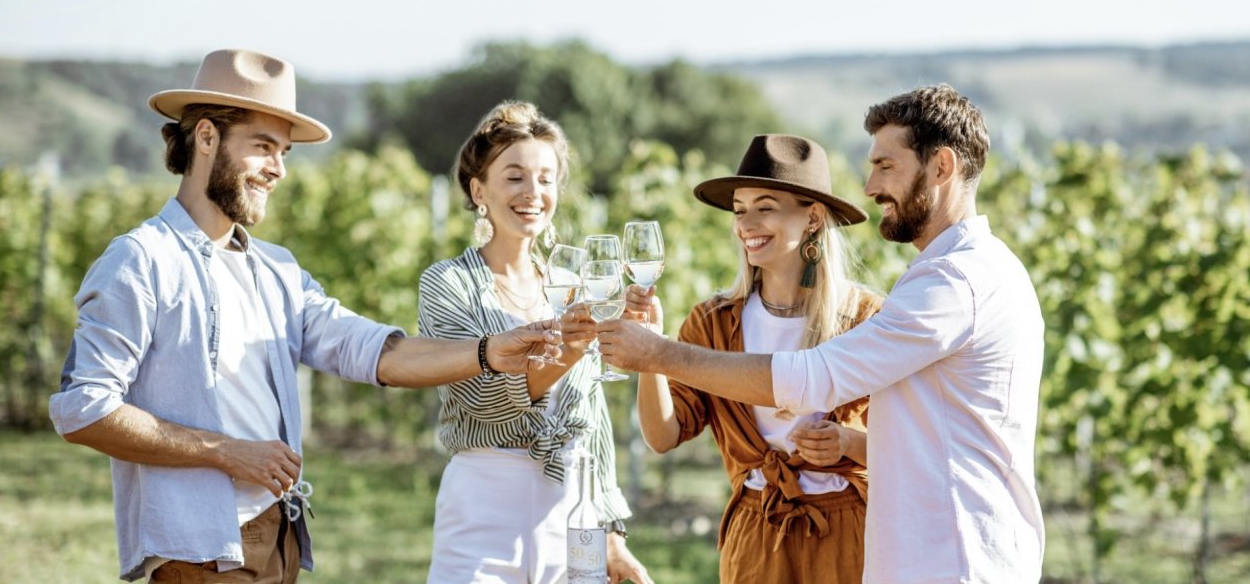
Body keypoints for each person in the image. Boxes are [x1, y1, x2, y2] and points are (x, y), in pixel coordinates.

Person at [48, 49, 559, 583]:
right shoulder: (142, 260)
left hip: (280, 537)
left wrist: (487, 352)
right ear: (206, 137)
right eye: (264, 147)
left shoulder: (277, 272)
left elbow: (376, 352)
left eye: (285, 152)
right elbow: (84, 409)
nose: (278, 169)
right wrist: (227, 453)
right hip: (199, 551)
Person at [598, 84, 1045, 582]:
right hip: (851, 545)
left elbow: (813, 377)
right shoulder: (959, 273)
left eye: (886, 166)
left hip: (945, 557)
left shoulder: (948, 283)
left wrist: (658, 354)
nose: (871, 186)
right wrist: (655, 355)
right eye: (739, 209)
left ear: (941, 167)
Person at [627, 134, 882, 583]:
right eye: (740, 209)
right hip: (758, 531)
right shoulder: (713, 323)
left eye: (765, 207)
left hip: (849, 533)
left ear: (813, 217)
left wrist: (848, 444)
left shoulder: (866, 320)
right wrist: (653, 351)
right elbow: (662, 436)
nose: (746, 223)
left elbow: (916, 446)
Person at [417, 101, 651, 584]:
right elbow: (481, 398)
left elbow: (593, 419)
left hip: (572, 507)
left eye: (546, 178)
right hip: (484, 506)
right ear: (479, 189)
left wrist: (610, 532)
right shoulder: (447, 283)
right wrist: (568, 350)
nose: (533, 192)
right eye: (515, 176)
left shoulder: (579, 288)